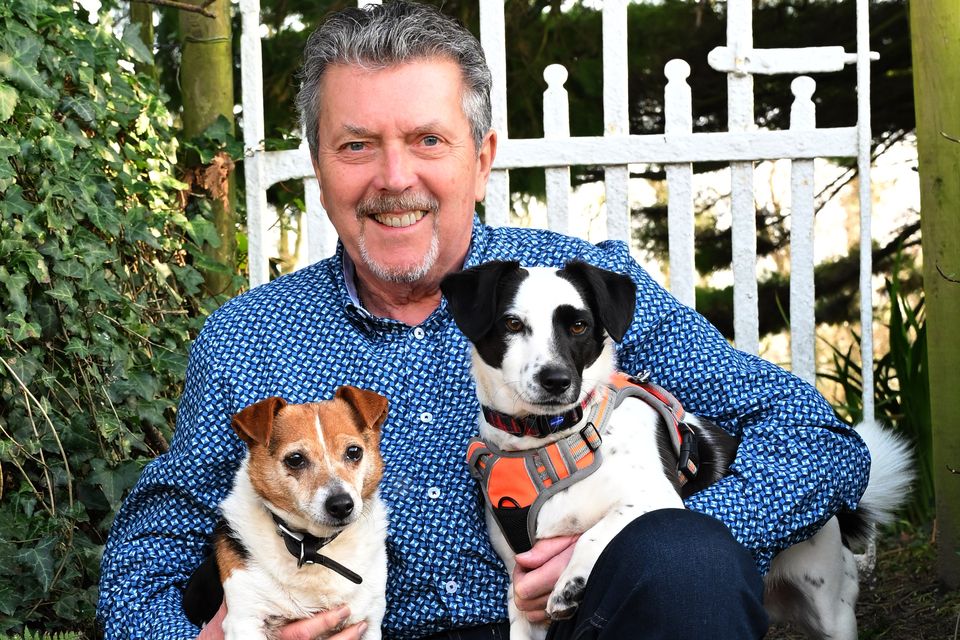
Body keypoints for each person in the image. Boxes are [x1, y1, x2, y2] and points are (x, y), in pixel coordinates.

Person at [96, 3, 870, 639]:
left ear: (482, 156)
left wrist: (632, 533)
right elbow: (148, 554)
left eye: (428, 140)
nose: (394, 178)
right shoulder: (250, 340)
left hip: (582, 628)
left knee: (685, 559)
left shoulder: (580, 295)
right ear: (319, 165)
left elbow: (816, 437)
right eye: (357, 145)